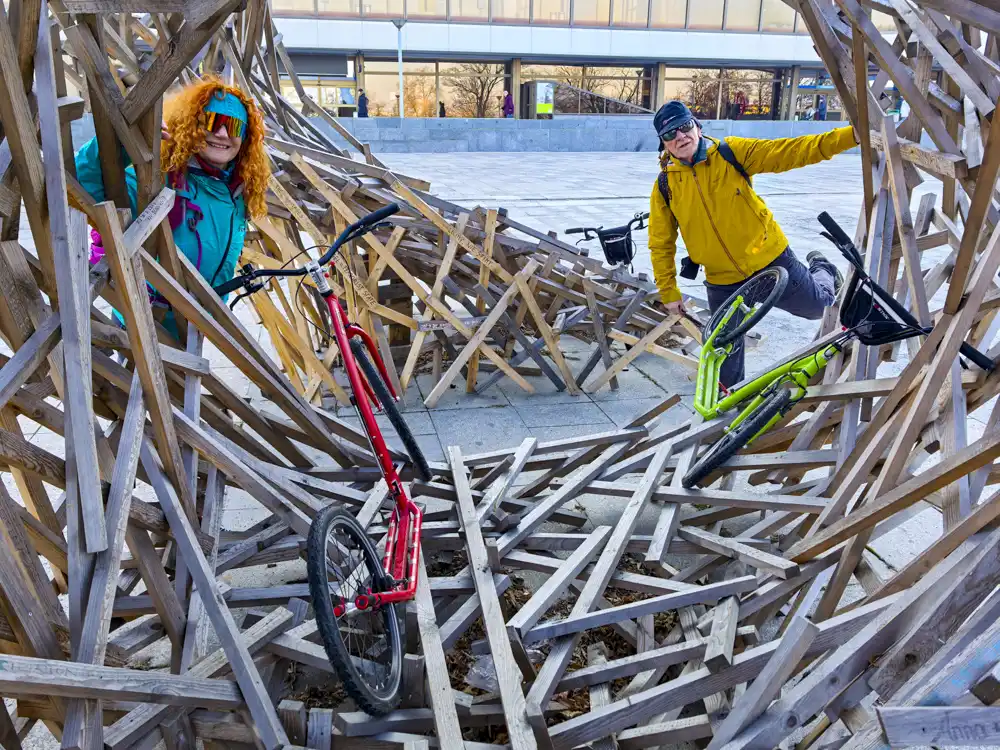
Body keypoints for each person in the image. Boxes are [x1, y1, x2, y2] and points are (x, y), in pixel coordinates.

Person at [647, 100, 856, 386]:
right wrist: (668, 291)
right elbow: (660, 243)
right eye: (670, 134)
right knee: (723, 350)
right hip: (723, 281)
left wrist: (852, 136)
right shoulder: (665, 185)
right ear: (664, 143)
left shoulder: (731, 153)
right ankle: (728, 405)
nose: (680, 136)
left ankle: (823, 269)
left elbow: (791, 151)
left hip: (769, 261)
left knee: (819, 307)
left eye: (684, 127)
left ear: (697, 126)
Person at [76, 77, 270, 337]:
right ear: (192, 125)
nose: (223, 134)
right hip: (145, 327)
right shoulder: (158, 182)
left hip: (196, 328)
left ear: (244, 136)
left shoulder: (236, 192)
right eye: (212, 122)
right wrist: (122, 145)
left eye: (233, 126)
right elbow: (82, 180)